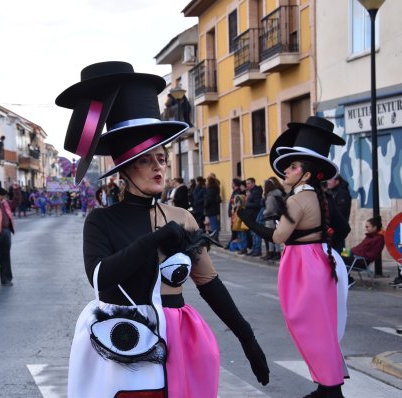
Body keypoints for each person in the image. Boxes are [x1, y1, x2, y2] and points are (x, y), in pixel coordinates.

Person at [56, 61, 269, 397]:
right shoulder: (102, 220)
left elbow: (210, 285)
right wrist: (155, 239)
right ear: (124, 169)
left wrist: (247, 337)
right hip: (130, 341)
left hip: (182, 340)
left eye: (162, 158)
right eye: (146, 160)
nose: (158, 167)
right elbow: (100, 278)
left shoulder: (182, 217)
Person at [238, 116, 349, 398]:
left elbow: (277, 237)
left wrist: (247, 220)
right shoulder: (315, 195)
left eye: (294, 166)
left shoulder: (298, 199)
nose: (286, 170)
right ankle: (328, 387)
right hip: (316, 261)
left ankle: (330, 390)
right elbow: (341, 229)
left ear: (307, 173)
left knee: (311, 329)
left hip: (305, 264)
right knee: (320, 329)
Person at [341, 217, 385, 286]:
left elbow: (372, 255)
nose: (366, 228)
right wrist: (351, 251)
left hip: (361, 261)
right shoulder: (369, 236)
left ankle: (348, 280)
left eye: (368, 227)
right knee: (338, 253)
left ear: (375, 227)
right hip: (355, 256)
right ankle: (345, 279)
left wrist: (355, 252)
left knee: (340, 258)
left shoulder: (378, 239)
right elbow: (359, 247)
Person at [325, 174, 352, 251]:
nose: (328, 182)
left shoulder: (342, 194)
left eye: (330, 180)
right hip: (332, 229)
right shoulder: (331, 192)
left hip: (337, 229)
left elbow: (340, 212)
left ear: (337, 181)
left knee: (337, 253)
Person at [262, 179, 284, 260]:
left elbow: (270, 209)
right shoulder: (278, 193)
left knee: (270, 237)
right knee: (276, 236)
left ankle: (272, 253)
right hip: (277, 217)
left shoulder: (270, 196)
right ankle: (277, 252)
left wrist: (263, 212)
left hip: (270, 218)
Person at [205, 175, 222, 241]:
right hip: (214, 209)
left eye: (207, 181)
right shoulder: (215, 189)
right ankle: (215, 238)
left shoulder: (211, 190)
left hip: (212, 210)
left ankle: (215, 238)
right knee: (215, 225)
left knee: (214, 225)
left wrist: (205, 204)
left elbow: (209, 200)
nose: (206, 182)